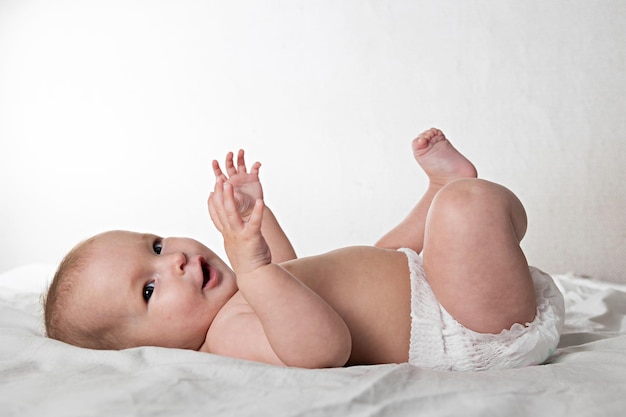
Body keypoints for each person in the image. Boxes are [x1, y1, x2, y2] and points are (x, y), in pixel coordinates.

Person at [44, 128, 564, 371]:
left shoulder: (240, 298)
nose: (173, 259)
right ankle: (453, 206)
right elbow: (321, 349)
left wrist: (254, 221)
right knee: (467, 206)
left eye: (156, 245)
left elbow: (286, 270)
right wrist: (250, 262)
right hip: (471, 326)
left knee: (371, 252)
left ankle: (434, 200)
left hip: (431, 284)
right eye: (150, 288)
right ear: (148, 350)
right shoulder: (226, 340)